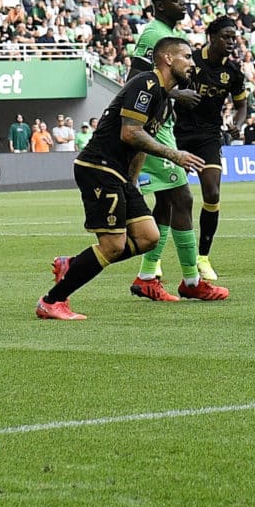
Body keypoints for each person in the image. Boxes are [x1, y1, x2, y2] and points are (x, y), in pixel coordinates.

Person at [37, 33, 205, 320]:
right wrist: (174, 155)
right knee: (113, 245)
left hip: (119, 174)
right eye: (187, 57)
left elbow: (139, 144)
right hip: (99, 167)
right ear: (167, 58)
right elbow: (130, 133)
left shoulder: (163, 98)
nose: (192, 64)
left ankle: (74, 264)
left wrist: (132, 182)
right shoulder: (146, 85)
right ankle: (52, 301)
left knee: (149, 237)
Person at [123, 0, 195, 301]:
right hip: (151, 127)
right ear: (161, 4)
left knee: (168, 201)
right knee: (181, 198)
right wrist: (176, 94)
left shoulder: (167, 36)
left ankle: (148, 276)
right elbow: (135, 77)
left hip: (161, 124)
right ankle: (192, 280)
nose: (183, 2)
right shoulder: (154, 33)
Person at [167, 15, 249, 299]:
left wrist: (238, 122)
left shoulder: (234, 73)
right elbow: (166, 87)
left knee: (212, 192)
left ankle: (203, 257)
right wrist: (179, 95)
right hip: (177, 134)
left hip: (209, 136)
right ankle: (150, 265)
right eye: (226, 36)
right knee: (169, 199)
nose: (231, 42)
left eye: (233, 37)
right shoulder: (190, 61)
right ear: (211, 37)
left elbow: (242, 105)